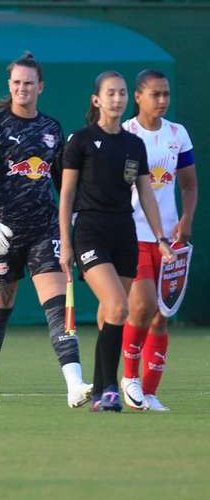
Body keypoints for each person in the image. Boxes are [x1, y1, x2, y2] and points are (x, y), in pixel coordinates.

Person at [0, 52, 93, 408]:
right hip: (3, 232)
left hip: (44, 229)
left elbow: (61, 182)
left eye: (28, 83)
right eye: (16, 83)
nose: (22, 88)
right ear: (10, 86)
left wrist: (70, 221)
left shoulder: (52, 128)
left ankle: (74, 383)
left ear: (40, 87)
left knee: (57, 306)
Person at [59, 71, 174, 412]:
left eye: (122, 93)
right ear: (96, 100)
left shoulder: (133, 144)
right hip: (90, 232)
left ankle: (98, 393)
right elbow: (66, 194)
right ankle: (111, 387)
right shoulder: (80, 141)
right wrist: (65, 243)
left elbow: (146, 194)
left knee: (112, 312)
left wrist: (161, 238)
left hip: (125, 233)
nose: (117, 99)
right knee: (120, 307)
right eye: (110, 93)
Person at [120, 70, 195, 411]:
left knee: (161, 316)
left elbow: (189, 185)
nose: (162, 100)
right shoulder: (126, 134)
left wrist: (186, 220)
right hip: (133, 234)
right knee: (142, 306)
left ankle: (149, 394)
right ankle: (130, 380)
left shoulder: (178, 134)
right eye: (155, 94)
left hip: (167, 239)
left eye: (166, 94)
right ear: (138, 96)